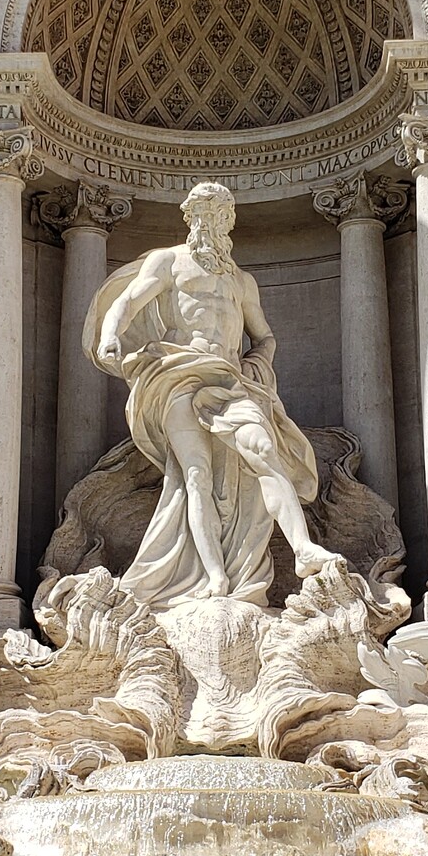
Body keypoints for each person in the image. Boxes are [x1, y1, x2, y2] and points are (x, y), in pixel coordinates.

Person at [87, 181, 337, 608]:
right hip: (178, 375)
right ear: (190, 218)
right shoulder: (169, 263)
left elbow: (264, 337)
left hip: (230, 380)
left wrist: (256, 366)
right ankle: (215, 578)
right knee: (196, 476)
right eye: (203, 213)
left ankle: (303, 549)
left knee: (264, 451)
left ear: (229, 221)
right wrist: (111, 333)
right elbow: (127, 301)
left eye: (219, 214)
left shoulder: (242, 282)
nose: (211, 222)